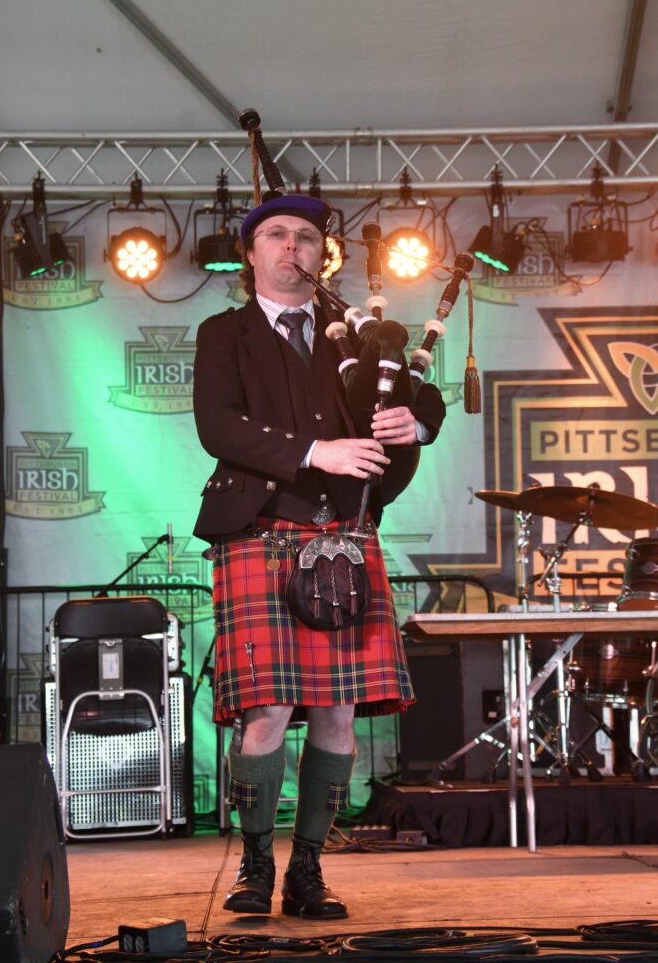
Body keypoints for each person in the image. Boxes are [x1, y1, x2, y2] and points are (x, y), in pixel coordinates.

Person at [193, 193, 445, 919]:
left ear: (319, 256)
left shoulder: (349, 340)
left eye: (305, 238)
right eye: (275, 235)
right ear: (250, 254)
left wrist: (413, 425)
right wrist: (317, 450)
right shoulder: (224, 333)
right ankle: (253, 863)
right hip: (260, 532)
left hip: (343, 536)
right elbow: (218, 426)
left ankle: (308, 869)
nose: (291, 248)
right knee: (266, 711)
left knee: (337, 715)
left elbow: (422, 400)